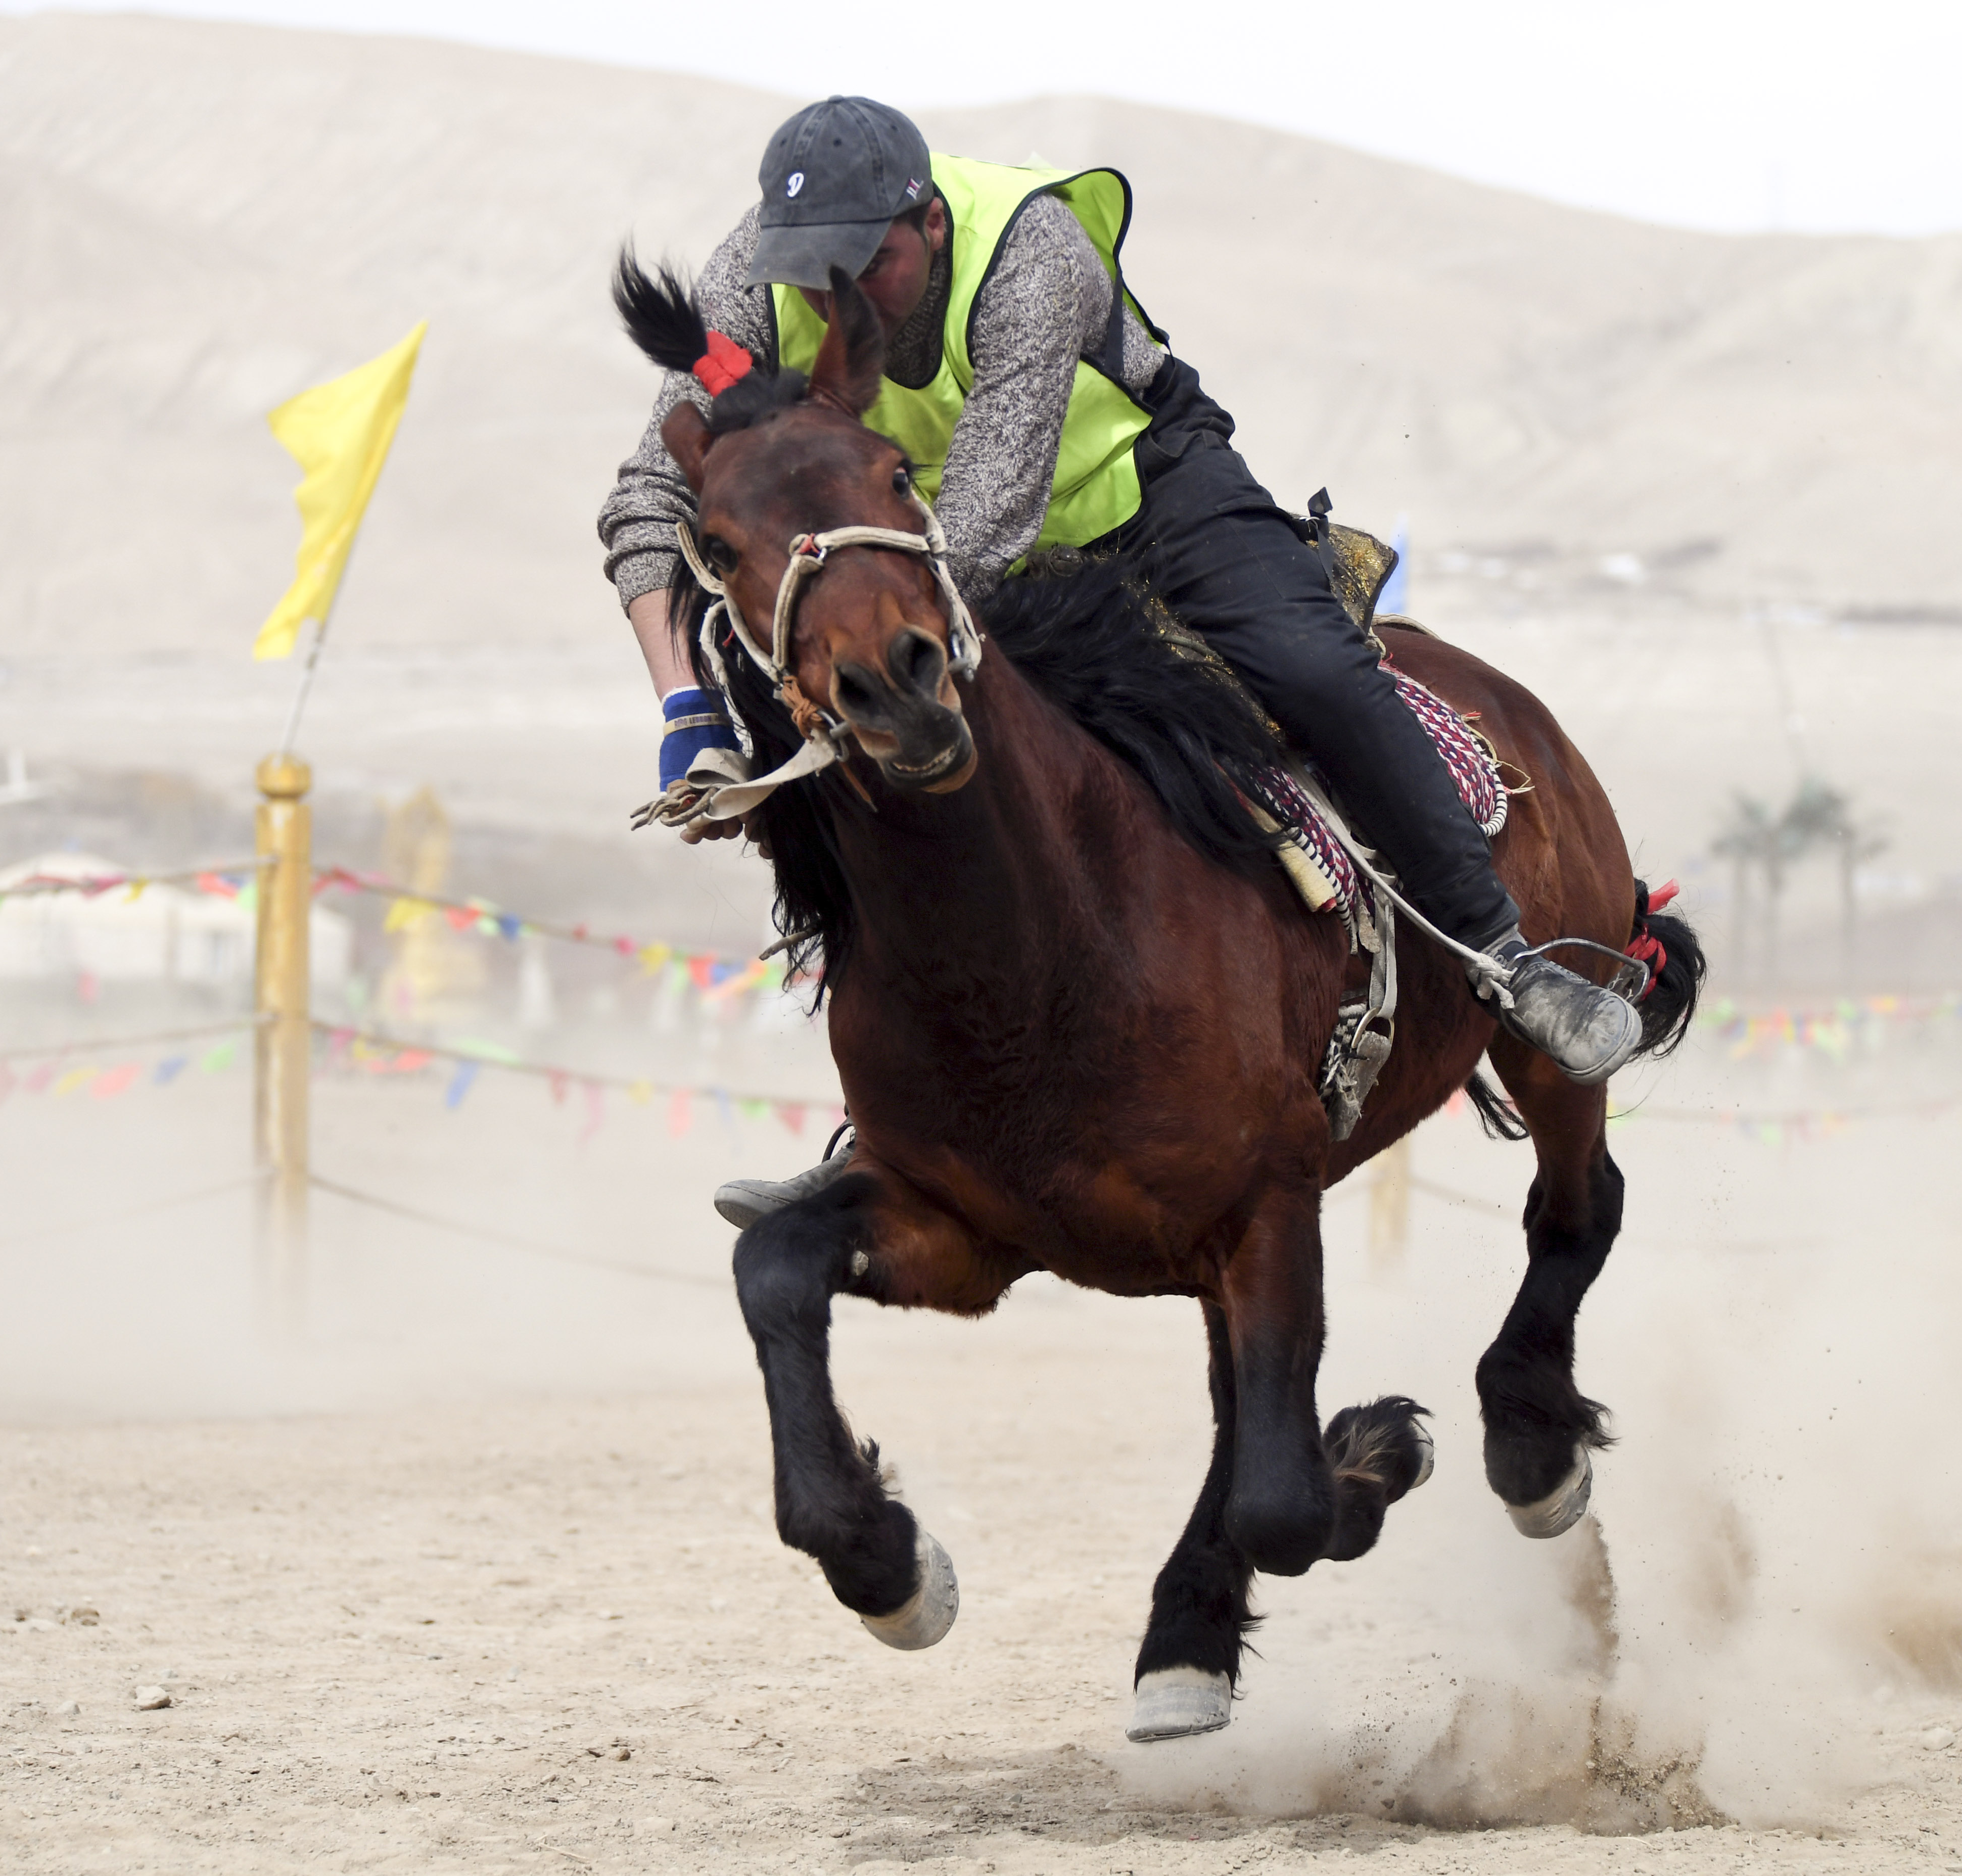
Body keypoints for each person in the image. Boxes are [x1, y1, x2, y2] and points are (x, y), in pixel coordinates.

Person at [595, 97, 1641, 1225]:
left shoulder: (1034, 253)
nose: (826, 298)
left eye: (869, 266)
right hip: (902, 550)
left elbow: (992, 525)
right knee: (844, 774)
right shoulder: (746, 285)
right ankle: (897, 1131)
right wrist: (687, 703)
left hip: (1142, 505)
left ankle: (1504, 957)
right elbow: (653, 493)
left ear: (933, 225)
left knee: (1313, 671)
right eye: (810, 273)